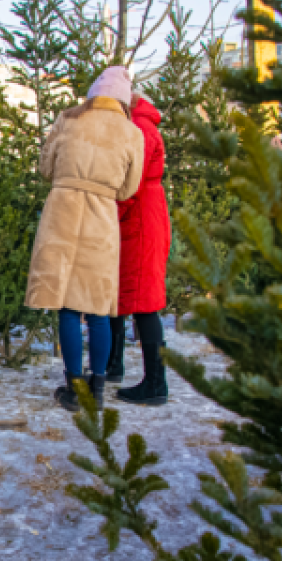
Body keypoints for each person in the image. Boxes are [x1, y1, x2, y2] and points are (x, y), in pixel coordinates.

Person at [24, 66, 144, 411]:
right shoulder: (130, 132)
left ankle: (73, 388)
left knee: (67, 305)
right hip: (101, 218)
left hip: (61, 213)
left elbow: (46, 168)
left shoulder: (68, 119)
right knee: (98, 308)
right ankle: (99, 387)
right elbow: (128, 188)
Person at [106, 92, 171, 406]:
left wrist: (109, 215)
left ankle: (156, 383)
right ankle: (113, 364)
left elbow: (132, 182)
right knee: (119, 294)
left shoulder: (141, 128)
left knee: (145, 302)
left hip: (141, 218)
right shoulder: (138, 123)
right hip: (139, 216)